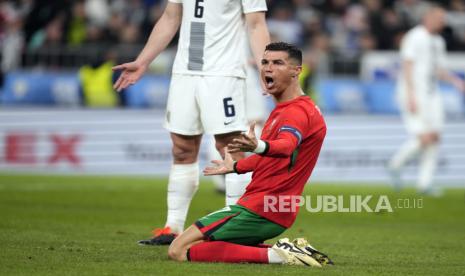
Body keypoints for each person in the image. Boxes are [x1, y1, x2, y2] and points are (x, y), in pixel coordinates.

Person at [112, 0, 270, 245]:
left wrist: (265, 67)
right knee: (182, 149)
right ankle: (172, 228)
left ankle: (235, 230)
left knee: (232, 148)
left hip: (223, 73)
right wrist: (143, 61)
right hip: (184, 73)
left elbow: (256, 24)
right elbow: (170, 18)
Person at [166, 42, 332, 267]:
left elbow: (285, 146)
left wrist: (258, 146)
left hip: (261, 208)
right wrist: (234, 167)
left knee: (178, 250)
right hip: (272, 208)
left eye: (277, 63)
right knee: (202, 248)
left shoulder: (296, 112)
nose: (267, 68)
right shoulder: (291, 108)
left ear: (296, 70)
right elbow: (273, 158)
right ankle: (291, 251)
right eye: (264, 62)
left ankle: (278, 256)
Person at [388, 4, 465, 196]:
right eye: (440, 18)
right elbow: (407, 66)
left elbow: (439, 69)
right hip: (414, 92)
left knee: (435, 138)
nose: (443, 22)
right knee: (424, 137)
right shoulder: (414, 37)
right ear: (428, 18)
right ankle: (395, 164)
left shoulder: (438, 41)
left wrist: (456, 81)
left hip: (433, 94)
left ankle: (425, 183)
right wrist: (411, 95)